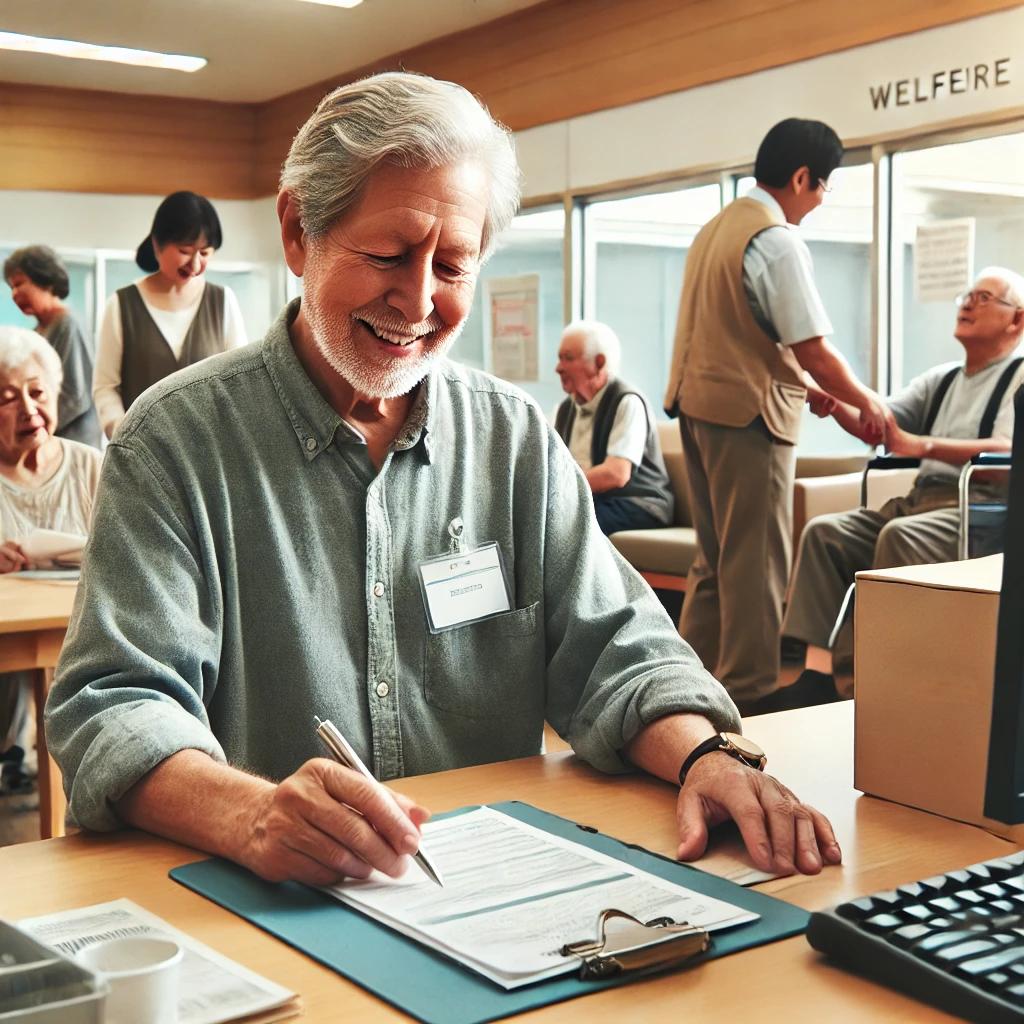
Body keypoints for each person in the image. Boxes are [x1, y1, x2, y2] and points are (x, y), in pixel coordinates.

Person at [47, 73, 840, 885]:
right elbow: (114, 704)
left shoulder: (515, 440)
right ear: (297, 231)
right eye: (389, 254)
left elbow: (619, 648)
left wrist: (706, 755)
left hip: (487, 892)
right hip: (264, 902)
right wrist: (248, 813)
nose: (418, 300)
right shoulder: (174, 442)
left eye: (454, 266)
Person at [663, 118, 892, 710]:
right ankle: (750, 692)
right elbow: (811, 345)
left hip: (698, 405)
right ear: (800, 178)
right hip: (748, 416)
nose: (818, 202)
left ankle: (684, 689)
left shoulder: (717, 228)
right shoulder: (776, 238)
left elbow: (751, 335)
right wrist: (868, 400)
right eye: (823, 188)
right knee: (756, 562)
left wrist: (813, 388)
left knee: (714, 562)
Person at [769, 267, 1024, 711]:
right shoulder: (942, 379)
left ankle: (872, 684)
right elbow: (881, 424)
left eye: (983, 298)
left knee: (898, 537)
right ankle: (818, 674)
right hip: (920, 501)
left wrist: (921, 444)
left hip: (977, 509)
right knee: (825, 533)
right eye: (967, 295)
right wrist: (833, 402)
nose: (967, 303)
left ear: (1017, 320)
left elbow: (1004, 453)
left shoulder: (1017, 377)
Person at [0, 326, 102, 793]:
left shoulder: (92, 465)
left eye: (37, 392)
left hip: (82, 627)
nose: (28, 409)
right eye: (7, 398)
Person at [92, 191, 248, 439]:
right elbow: (106, 387)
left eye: (205, 253)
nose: (195, 265)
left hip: (209, 451)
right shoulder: (121, 305)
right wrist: (122, 433)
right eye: (185, 251)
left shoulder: (223, 301)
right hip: (142, 452)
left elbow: (239, 381)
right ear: (157, 244)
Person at [554, 320, 673, 534]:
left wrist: (559, 490)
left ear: (599, 363)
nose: (558, 368)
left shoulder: (627, 401)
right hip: (596, 499)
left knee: (565, 526)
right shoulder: (565, 409)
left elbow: (616, 474)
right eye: (559, 358)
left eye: (568, 358)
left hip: (640, 503)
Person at [4, 246, 101, 448]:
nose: (14, 294)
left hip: (72, 445)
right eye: (11, 287)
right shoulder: (38, 331)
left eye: (20, 284)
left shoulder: (67, 324)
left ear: (45, 281)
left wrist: (34, 424)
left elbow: (75, 395)